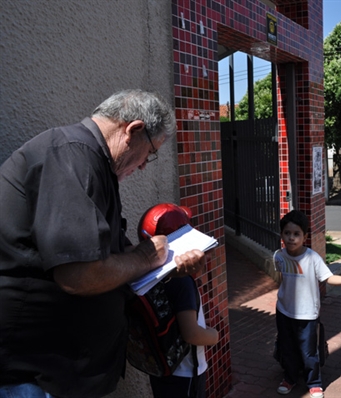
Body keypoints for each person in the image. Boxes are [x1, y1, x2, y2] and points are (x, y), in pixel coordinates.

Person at [0, 89, 207, 398]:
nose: (143, 166)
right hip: (35, 373)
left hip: (60, 370)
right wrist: (146, 258)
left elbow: (111, 257)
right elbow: (80, 275)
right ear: (133, 130)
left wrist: (168, 269)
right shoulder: (72, 156)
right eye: (149, 153)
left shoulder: (91, 162)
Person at [138, 204, 219, 398]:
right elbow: (191, 333)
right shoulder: (181, 281)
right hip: (186, 372)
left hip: (161, 366)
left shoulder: (146, 274)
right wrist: (214, 335)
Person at [273, 210, 341, 398]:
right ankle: (289, 378)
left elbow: (328, 278)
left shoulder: (312, 258)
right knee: (287, 347)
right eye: (287, 233)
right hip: (284, 311)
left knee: (309, 352)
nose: (291, 238)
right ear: (281, 235)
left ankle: (313, 382)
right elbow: (282, 279)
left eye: (296, 234)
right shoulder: (279, 257)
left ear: (305, 236)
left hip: (307, 315)